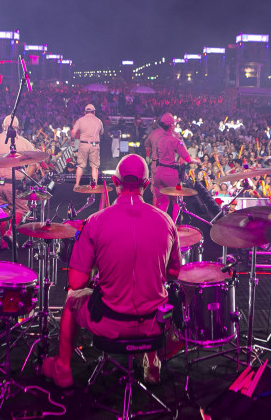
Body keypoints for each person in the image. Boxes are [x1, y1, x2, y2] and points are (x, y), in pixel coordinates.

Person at [42, 154, 181, 388]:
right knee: (166, 295)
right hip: (154, 323)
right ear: (146, 185)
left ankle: (63, 369)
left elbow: (76, 282)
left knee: (72, 299)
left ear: (115, 181)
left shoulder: (95, 222)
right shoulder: (167, 221)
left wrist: (100, 269)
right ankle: (152, 362)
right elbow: (175, 273)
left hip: (110, 322)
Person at [150, 113, 200, 219]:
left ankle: (161, 224)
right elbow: (188, 159)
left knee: (163, 202)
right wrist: (197, 161)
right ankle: (174, 226)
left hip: (159, 172)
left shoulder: (159, 139)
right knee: (176, 202)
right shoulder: (176, 141)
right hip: (171, 174)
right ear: (171, 126)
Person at [70, 103, 104, 187]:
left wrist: (72, 140)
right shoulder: (98, 121)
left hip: (83, 144)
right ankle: (94, 185)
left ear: (85, 112)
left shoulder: (80, 120)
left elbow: (73, 131)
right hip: (94, 145)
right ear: (94, 112)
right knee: (94, 167)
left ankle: (77, 184)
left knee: (80, 166)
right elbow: (101, 132)